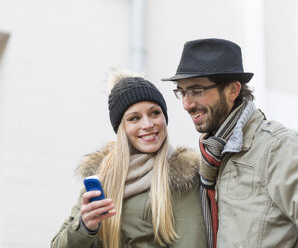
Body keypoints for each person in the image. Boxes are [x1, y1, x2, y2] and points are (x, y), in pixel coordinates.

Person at [161, 38, 298, 248]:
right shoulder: (211, 156)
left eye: (197, 91)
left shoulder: (275, 146)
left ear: (233, 90)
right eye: (181, 92)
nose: (186, 104)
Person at [51, 70, 207, 248]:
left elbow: (192, 242)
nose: (148, 125)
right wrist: (86, 227)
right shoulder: (102, 176)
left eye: (155, 113)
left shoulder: (181, 177)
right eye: (134, 118)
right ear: (121, 129)